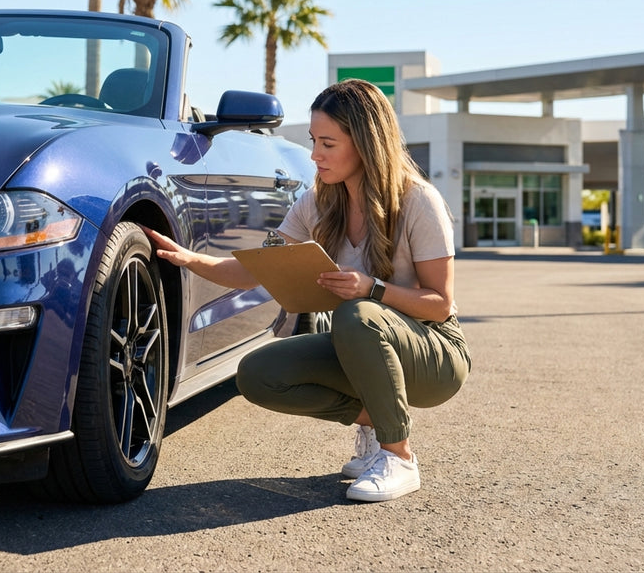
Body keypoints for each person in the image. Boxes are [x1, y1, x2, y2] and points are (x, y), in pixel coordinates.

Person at [145, 78, 470, 502]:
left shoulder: (417, 201)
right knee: (258, 374)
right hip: (362, 346)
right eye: (314, 140)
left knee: (356, 312)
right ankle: (378, 418)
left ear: (367, 144)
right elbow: (260, 269)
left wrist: (370, 288)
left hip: (435, 355)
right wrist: (190, 259)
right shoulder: (318, 203)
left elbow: (440, 305)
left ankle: (399, 457)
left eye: (328, 144)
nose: (314, 155)